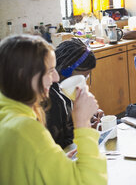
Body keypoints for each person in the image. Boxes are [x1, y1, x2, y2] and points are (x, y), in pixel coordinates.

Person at [0, 35, 107, 184]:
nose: (56, 77)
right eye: (50, 71)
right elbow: (92, 181)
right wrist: (83, 126)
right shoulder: (25, 129)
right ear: (23, 75)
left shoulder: (8, 115)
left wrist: (57, 160)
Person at [45, 38, 104, 149]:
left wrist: (89, 116)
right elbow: (59, 144)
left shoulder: (63, 91)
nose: (84, 81)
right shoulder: (52, 100)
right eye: (83, 77)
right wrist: (85, 128)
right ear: (66, 71)